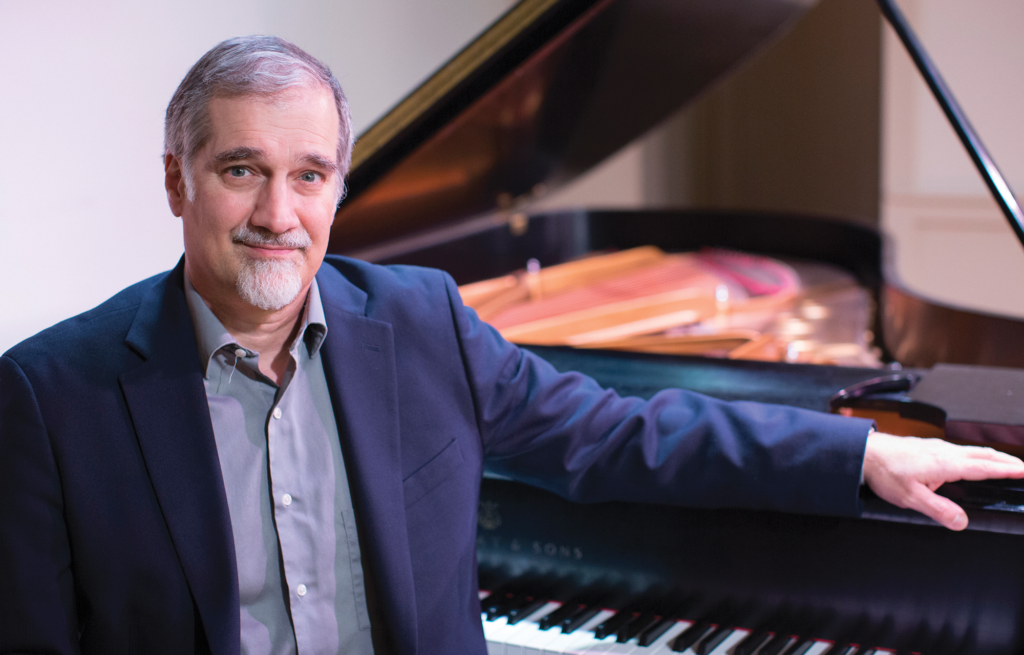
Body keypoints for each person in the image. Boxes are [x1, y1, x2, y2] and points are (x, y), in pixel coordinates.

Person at [1, 35, 1021, 655]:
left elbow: (624, 436)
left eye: (310, 174)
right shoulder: (52, 397)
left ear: (339, 189)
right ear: (177, 181)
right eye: (239, 169)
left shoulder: (417, 323)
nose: (279, 210)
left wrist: (861, 453)